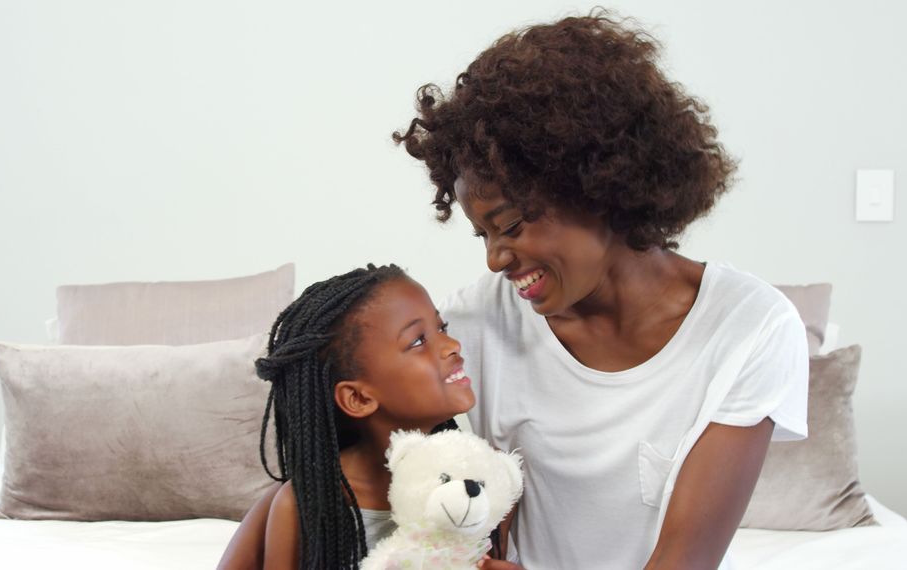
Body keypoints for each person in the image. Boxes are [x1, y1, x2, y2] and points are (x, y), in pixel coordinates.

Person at [392, 10, 808, 570]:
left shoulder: (749, 328)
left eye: (511, 226)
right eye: (483, 234)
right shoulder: (474, 323)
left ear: (599, 188)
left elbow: (685, 560)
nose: (494, 259)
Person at [217, 264, 490, 569]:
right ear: (358, 398)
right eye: (417, 341)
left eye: (442, 328)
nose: (452, 346)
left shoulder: (477, 482)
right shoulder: (302, 507)